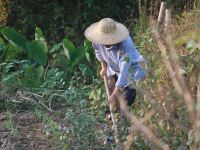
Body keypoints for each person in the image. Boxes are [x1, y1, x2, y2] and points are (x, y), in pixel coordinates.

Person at [84, 18, 145, 110]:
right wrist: (104, 68)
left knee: (125, 103)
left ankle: (125, 120)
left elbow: (125, 70)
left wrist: (115, 93)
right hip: (116, 69)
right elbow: (99, 53)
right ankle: (111, 116)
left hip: (133, 71)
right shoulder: (97, 41)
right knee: (110, 102)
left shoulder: (125, 45)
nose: (106, 43)